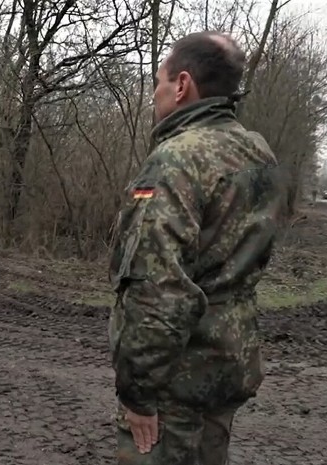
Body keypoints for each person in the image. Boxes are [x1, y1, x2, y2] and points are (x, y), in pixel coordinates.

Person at [107, 31, 290, 465]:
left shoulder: (177, 161)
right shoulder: (258, 152)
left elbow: (157, 288)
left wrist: (139, 393)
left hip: (177, 379)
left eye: (159, 82)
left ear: (182, 85)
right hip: (231, 361)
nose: (155, 94)